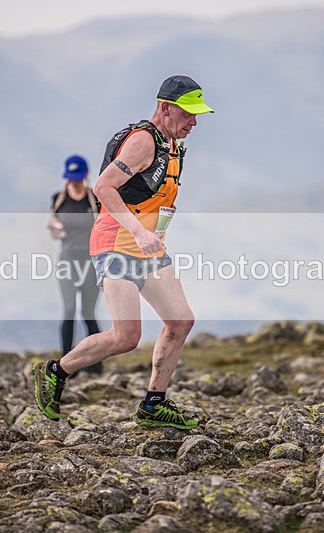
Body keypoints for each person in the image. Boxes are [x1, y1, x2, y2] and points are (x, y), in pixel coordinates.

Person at [34, 75, 214, 430]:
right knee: (126, 337)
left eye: (197, 115)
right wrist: (137, 230)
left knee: (180, 321)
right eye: (188, 114)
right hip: (116, 244)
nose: (194, 121)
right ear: (165, 108)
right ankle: (56, 372)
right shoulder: (144, 142)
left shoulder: (171, 142)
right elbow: (102, 187)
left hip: (147, 245)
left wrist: (151, 233)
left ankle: (153, 404)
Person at [48, 154, 103, 376]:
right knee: (69, 309)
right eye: (71, 178)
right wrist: (54, 230)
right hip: (68, 260)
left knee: (88, 311)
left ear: (85, 176)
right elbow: (53, 225)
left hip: (91, 261)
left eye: (78, 178)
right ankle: (66, 365)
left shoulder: (95, 200)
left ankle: (95, 365)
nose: (74, 182)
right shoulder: (58, 199)